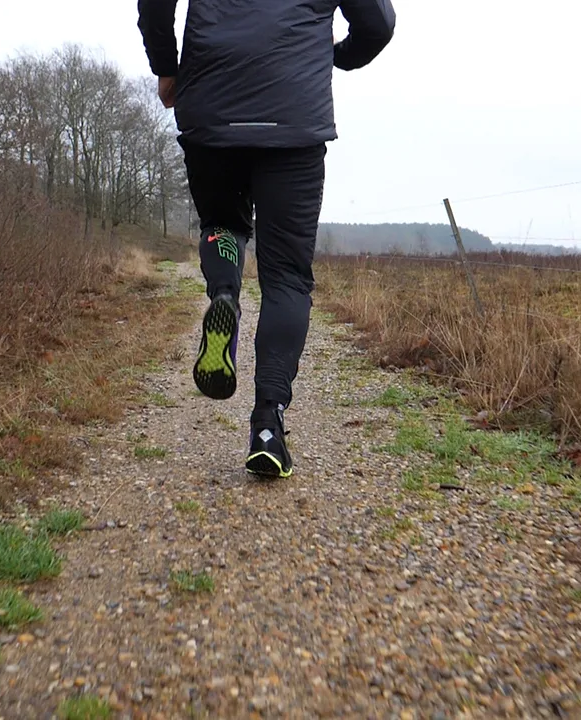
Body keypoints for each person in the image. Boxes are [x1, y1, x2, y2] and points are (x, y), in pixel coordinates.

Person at [138, 0, 396, 478]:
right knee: (287, 279)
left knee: (223, 223)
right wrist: (334, 54)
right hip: (293, 116)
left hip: (210, 107)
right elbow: (377, 24)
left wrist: (166, 67)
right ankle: (267, 426)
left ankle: (225, 295)